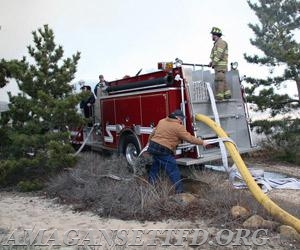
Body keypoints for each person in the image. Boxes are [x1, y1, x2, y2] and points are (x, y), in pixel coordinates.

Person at [147, 109, 208, 194]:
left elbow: (153, 133)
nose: (181, 121)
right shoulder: (178, 127)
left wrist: (149, 142)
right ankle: (179, 191)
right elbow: (189, 138)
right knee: (173, 170)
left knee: (155, 167)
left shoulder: (162, 121)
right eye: (181, 119)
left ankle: (150, 186)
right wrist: (202, 142)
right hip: (163, 150)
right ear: (177, 118)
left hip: (153, 146)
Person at [209, 27, 231, 100]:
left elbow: (219, 54)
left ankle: (220, 96)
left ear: (215, 35)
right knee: (222, 80)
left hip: (220, 67)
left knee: (219, 80)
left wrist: (214, 63)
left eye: (212, 35)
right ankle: (227, 94)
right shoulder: (216, 44)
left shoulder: (221, 43)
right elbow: (215, 56)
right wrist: (211, 62)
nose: (211, 36)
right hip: (218, 67)